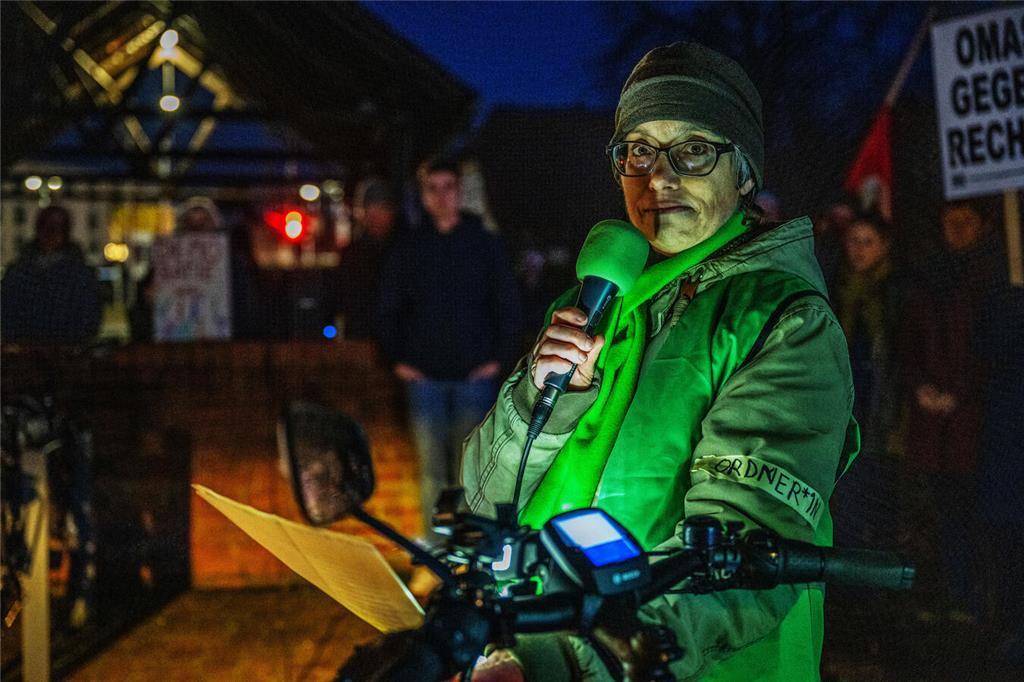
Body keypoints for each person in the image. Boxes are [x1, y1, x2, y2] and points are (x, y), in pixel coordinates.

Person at [462, 42, 857, 681]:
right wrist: (545, 402)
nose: (658, 178)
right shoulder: (593, 303)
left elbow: (741, 560)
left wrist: (571, 660)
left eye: (693, 149)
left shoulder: (785, 322)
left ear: (746, 173)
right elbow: (485, 503)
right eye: (639, 150)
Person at [377, 159, 522, 544]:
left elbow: (507, 304)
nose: (441, 197)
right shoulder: (409, 247)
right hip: (423, 376)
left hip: (475, 373)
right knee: (431, 473)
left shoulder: (484, 244)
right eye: (433, 189)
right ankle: (438, 551)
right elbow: (388, 306)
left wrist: (497, 359)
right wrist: (397, 359)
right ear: (423, 196)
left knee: (472, 470)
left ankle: (471, 549)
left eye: (448, 187)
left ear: (460, 191)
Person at [897, 200, 999, 625]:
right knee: (936, 513)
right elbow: (911, 340)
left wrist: (961, 394)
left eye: (965, 222)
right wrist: (920, 385)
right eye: (949, 222)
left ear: (983, 226)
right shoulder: (929, 278)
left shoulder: (994, 278)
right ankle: (945, 596)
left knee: (975, 515)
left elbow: (991, 352)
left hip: (973, 426)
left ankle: (975, 601)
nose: (956, 230)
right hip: (933, 425)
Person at [830, 215, 904, 546]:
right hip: (842, 405)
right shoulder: (834, 288)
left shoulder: (897, 292)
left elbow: (901, 355)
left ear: (884, 246)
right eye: (852, 241)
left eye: (867, 242)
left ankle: (879, 576)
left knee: (880, 491)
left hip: (881, 409)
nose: (857, 251)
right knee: (846, 489)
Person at [1, 205, 102, 344]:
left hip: (66, 350)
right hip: (29, 350)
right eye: (47, 227)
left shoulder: (81, 274)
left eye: (57, 227)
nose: (51, 233)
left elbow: (89, 315)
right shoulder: (19, 272)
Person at [336, 178, 399, 341]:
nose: (375, 218)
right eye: (369, 211)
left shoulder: (405, 252)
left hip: (399, 343)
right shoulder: (351, 254)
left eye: (380, 210)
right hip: (361, 339)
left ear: (391, 212)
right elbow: (344, 301)